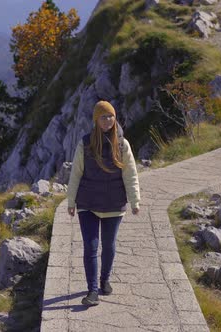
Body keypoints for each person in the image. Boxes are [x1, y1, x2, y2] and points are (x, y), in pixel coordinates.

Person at [67, 100, 140, 306]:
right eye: (103, 117)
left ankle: (104, 280)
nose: (107, 120)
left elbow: (130, 174)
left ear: (115, 118)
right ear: (96, 120)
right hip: (87, 203)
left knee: (109, 246)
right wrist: (71, 201)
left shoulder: (122, 144)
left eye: (110, 116)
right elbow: (76, 173)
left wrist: (135, 200)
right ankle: (92, 291)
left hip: (114, 204)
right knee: (90, 247)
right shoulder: (85, 143)